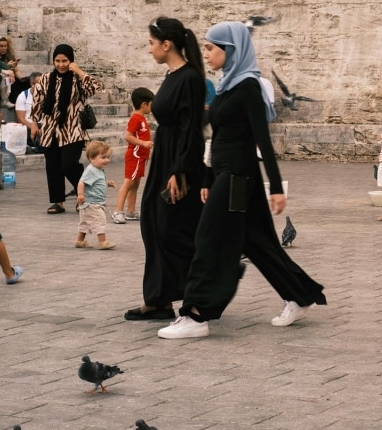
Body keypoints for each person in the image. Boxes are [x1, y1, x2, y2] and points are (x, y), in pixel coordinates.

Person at [158, 21, 326, 339]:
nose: (206, 53)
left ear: (230, 50)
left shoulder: (248, 86)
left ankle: (196, 315)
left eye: (211, 48)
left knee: (208, 239)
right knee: (257, 242)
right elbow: (215, 137)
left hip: (237, 177)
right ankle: (300, 295)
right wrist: (207, 179)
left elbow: (262, 140)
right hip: (225, 174)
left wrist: (276, 187)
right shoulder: (226, 86)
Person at [127, 17, 208, 321]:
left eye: (151, 43)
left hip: (179, 163)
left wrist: (180, 170)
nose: (149, 50)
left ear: (166, 44)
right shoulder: (173, 75)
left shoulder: (189, 78)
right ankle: (159, 299)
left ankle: (199, 296)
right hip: (165, 159)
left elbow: (191, 129)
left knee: (173, 229)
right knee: (153, 222)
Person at [30, 44, 98, 214]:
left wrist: (80, 72)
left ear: (71, 60)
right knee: (52, 166)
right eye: (57, 61)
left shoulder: (77, 78)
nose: (61, 64)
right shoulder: (45, 78)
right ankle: (58, 202)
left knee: (68, 164)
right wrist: (33, 123)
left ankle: (82, 192)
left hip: (72, 129)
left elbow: (94, 89)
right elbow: (37, 101)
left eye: (65, 61)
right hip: (49, 131)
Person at [113, 88, 155, 224]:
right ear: (144, 104)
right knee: (128, 183)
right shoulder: (136, 118)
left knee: (135, 185)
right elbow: (128, 136)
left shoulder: (142, 118)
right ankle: (118, 211)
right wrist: (143, 143)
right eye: (150, 104)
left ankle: (131, 211)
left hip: (141, 157)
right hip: (135, 156)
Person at [75, 141, 116, 250]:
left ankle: (79, 241)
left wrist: (107, 184)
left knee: (84, 223)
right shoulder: (91, 170)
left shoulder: (98, 170)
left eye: (108, 157)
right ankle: (102, 242)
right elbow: (81, 182)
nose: (107, 160)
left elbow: (96, 182)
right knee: (100, 220)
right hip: (92, 203)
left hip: (89, 204)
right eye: (103, 157)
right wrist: (80, 194)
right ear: (92, 158)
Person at [14, 72, 43, 152]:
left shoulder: (48, 95)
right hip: (28, 125)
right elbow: (20, 119)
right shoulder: (23, 96)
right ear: (32, 84)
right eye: (39, 84)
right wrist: (34, 127)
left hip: (44, 125)